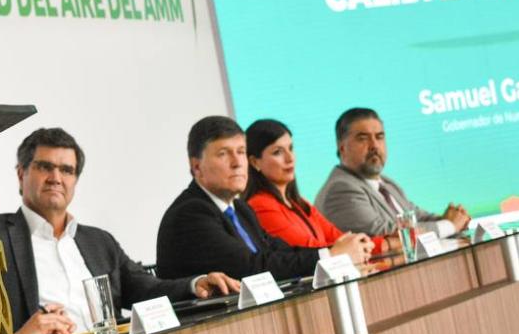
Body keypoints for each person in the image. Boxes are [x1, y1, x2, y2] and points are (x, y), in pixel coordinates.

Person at [0, 128, 237, 334]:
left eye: (66, 170)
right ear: (21, 174)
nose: (56, 177)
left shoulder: (98, 242)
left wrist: (195, 284)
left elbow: (146, 288)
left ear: (75, 180)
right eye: (45, 167)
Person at [156, 116, 321, 282]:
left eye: (241, 152)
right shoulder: (190, 214)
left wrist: (328, 254)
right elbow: (252, 269)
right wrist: (324, 257)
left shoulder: (241, 209)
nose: (237, 163)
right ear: (197, 167)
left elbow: (280, 251)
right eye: (223, 154)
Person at [314, 108, 471, 237]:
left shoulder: (387, 184)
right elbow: (384, 234)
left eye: (379, 137)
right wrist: (449, 225)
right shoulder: (340, 189)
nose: (374, 145)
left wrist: (454, 219)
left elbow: (417, 217)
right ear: (342, 148)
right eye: (363, 138)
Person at [243, 119, 380, 262]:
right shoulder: (260, 205)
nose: (290, 158)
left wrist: (386, 242)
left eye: (291, 148)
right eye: (278, 152)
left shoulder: (299, 203)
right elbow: (311, 251)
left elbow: (339, 239)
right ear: (254, 162)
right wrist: (349, 248)